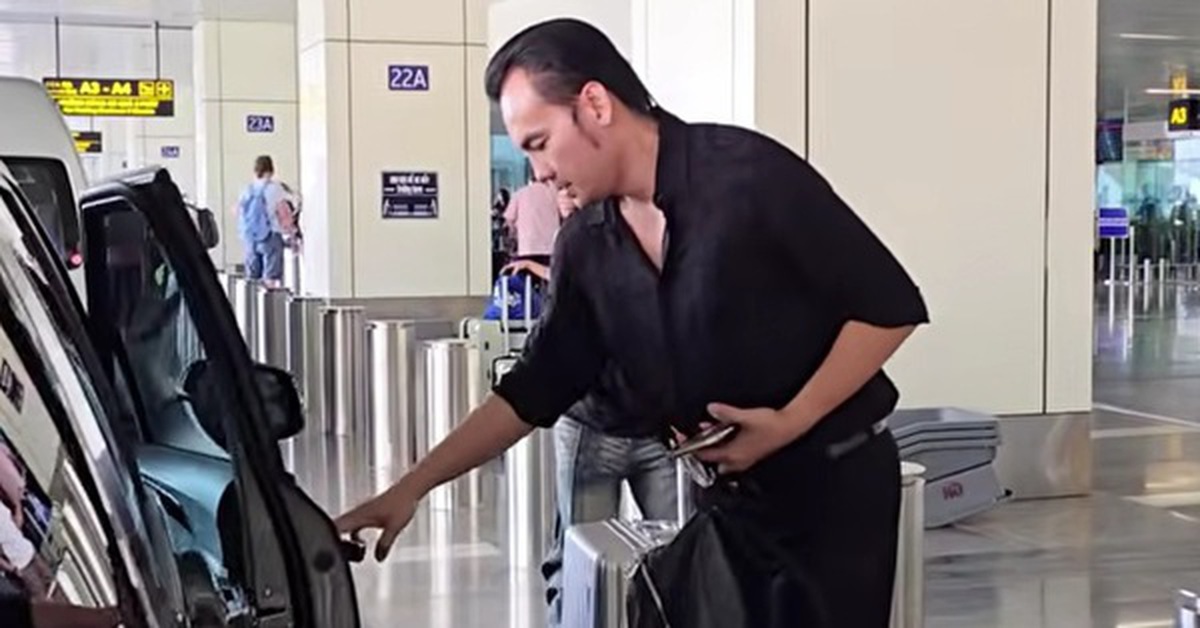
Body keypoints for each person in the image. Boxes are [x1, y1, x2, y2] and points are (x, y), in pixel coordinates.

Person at [337, 17, 928, 627]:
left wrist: (789, 421)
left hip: (833, 495)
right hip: (727, 506)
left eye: (540, 142)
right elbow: (533, 387)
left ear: (595, 104)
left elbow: (887, 307)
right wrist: (411, 488)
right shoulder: (587, 245)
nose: (538, 172)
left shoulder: (747, 176)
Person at [234, 156, 296, 288]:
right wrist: (291, 233)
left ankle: (252, 299)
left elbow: (237, 211)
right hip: (270, 236)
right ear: (271, 170)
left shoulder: (247, 189)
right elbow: (283, 214)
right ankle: (269, 299)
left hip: (250, 239)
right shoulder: (275, 189)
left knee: (252, 277)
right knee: (270, 278)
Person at [504, 178, 561, 269]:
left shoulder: (520, 193)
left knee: (528, 276)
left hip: (527, 247)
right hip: (550, 248)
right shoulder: (554, 194)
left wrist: (514, 234)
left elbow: (509, 220)